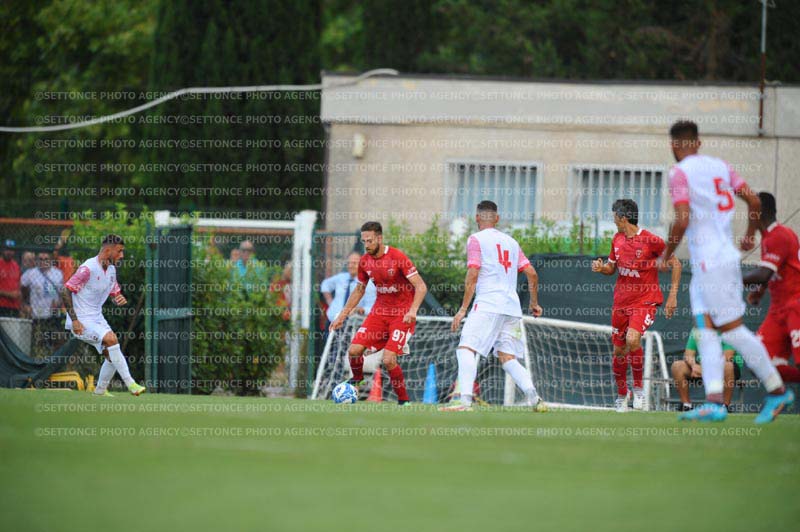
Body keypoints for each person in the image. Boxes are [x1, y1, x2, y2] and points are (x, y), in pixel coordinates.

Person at [661, 120, 792, 423]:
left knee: (732, 330)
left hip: (713, 263)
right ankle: (714, 401)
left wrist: (666, 255)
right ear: (698, 142)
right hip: (713, 262)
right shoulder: (721, 166)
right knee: (705, 330)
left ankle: (777, 390)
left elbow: (682, 219)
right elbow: (754, 199)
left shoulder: (679, 173)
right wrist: (749, 234)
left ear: (674, 145)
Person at [440, 200, 546, 412]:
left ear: (476, 218)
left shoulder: (476, 239)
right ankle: (535, 398)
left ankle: (464, 402)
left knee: (465, 348)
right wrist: (534, 303)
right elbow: (532, 273)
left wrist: (462, 309)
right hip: (511, 308)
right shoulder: (512, 242)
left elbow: (473, 273)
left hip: (488, 304)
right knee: (507, 357)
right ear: (497, 218)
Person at [591, 199, 681, 412]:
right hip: (620, 303)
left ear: (623, 218)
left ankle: (639, 390)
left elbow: (676, 264)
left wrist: (672, 297)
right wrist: (601, 268)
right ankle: (623, 395)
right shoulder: (617, 239)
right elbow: (611, 268)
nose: (613, 221)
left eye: (614, 217)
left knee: (632, 338)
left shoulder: (651, 240)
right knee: (619, 351)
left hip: (645, 301)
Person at [330, 221, 427, 405]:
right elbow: (359, 290)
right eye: (364, 241)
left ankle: (404, 401)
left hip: (401, 315)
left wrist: (413, 310)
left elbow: (421, 286)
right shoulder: (364, 261)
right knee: (354, 351)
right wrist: (342, 315)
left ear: (380, 238)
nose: (366, 245)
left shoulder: (397, 257)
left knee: (388, 359)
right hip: (379, 313)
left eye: (370, 241)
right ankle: (357, 379)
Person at [61, 234, 145, 396]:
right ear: (108, 251)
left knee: (111, 355)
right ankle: (131, 384)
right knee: (112, 340)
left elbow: (114, 292)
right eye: (119, 251)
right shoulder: (88, 268)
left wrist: (118, 298)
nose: (122, 255)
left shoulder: (111, 270)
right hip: (81, 320)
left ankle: (99, 392)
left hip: (97, 319)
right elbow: (65, 291)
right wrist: (75, 320)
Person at [742, 192, 800, 384]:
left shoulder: (779, 235)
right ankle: (780, 395)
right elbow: (772, 272)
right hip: (778, 311)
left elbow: (763, 274)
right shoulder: (768, 238)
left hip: (795, 306)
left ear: (757, 212)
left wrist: (730, 280)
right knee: (756, 360)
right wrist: (760, 290)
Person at [671, 328, 743, 411]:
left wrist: (705, 370)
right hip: (701, 368)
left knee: (728, 366)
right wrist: (694, 366)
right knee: (677, 366)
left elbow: (727, 356)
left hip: (725, 369)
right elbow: (688, 354)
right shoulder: (697, 329)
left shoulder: (729, 328)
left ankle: (724, 406)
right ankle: (686, 405)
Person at [21, 252, 64, 356]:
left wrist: (58, 304)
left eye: (46, 259)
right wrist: (25, 305)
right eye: (40, 259)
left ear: (50, 260)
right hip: (36, 316)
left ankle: (55, 361)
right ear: (37, 260)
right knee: (38, 343)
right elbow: (22, 291)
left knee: (57, 341)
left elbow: (62, 294)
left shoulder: (58, 274)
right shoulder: (30, 274)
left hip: (53, 315)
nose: (43, 261)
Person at [320, 252, 377, 326]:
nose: (350, 266)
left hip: (350, 325)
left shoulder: (368, 285)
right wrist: (330, 302)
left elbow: (371, 308)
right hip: (331, 320)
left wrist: (361, 309)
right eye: (349, 263)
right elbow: (325, 284)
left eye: (354, 263)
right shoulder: (341, 277)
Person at [0, 240, 21, 317]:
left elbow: (19, 284)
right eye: (7, 249)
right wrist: (9, 294)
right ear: (2, 250)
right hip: (1, 305)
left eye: (11, 250)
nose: (9, 252)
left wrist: (19, 293)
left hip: (14, 306)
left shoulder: (16, 266)